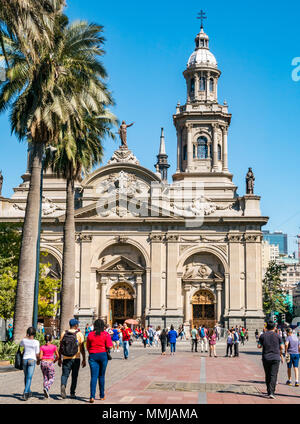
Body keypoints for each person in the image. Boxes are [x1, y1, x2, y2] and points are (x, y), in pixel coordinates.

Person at [58, 318, 86, 399]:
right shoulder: (79, 334)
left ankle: (63, 385)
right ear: (76, 325)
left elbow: (61, 347)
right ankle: (72, 393)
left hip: (66, 357)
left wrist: (60, 358)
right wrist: (84, 359)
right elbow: (82, 348)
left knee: (64, 375)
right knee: (74, 376)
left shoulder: (64, 333)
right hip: (76, 358)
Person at [86, 319, 113, 403]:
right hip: (103, 355)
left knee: (93, 376)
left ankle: (92, 396)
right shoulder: (106, 334)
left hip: (93, 355)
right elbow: (110, 346)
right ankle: (101, 395)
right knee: (101, 376)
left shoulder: (90, 334)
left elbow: (87, 347)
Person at [257, 320, 284, 399]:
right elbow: (282, 347)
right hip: (275, 357)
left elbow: (259, 346)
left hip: (266, 357)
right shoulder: (278, 336)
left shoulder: (262, 336)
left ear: (266, 327)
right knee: (273, 375)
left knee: (267, 374)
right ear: (275, 328)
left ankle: (269, 391)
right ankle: (272, 392)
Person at [20, 327, 40, 400]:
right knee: (29, 377)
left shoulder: (24, 340)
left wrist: (25, 336)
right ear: (34, 334)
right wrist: (38, 360)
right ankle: (25, 393)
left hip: (25, 359)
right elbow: (37, 353)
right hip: (32, 360)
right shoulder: (36, 342)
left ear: (27, 333)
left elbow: (21, 345)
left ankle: (29, 391)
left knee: (26, 376)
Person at [39, 333, 59, 398]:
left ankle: (46, 390)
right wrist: (55, 361)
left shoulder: (42, 347)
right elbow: (58, 356)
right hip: (50, 362)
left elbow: (40, 357)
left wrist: (38, 361)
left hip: (43, 362)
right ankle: (47, 388)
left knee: (45, 377)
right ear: (51, 339)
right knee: (51, 378)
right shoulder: (54, 346)